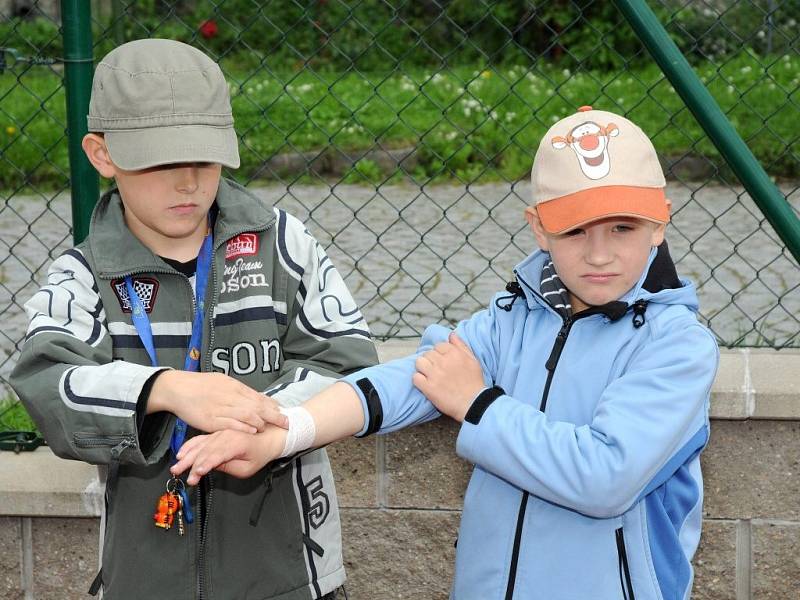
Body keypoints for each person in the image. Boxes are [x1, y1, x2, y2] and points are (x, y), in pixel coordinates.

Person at [171, 106, 720, 600]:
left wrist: (478, 405)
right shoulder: (515, 317)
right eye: (574, 230)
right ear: (538, 229)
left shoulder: (677, 344)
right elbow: (412, 379)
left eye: (622, 227)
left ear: (660, 222)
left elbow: (605, 477)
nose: (600, 253)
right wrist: (283, 432)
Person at [10, 38, 378, 600]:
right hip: (142, 579)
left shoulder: (284, 247)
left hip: (289, 578)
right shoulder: (84, 274)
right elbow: (45, 382)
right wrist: (164, 388)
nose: (187, 184)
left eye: (203, 161)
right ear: (101, 154)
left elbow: (346, 358)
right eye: (159, 162)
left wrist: (264, 422)